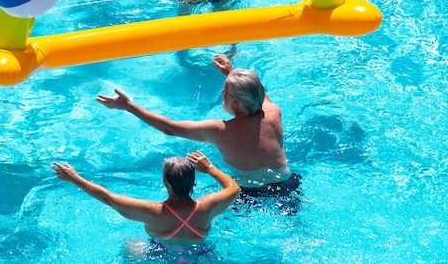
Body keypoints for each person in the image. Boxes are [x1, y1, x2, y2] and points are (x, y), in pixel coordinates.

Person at [96, 54, 301, 204]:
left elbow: (169, 128)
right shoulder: (273, 111)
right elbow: (259, 92)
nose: (222, 91)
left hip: (247, 193)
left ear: (237, 102)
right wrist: (231, 72)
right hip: (285, 184)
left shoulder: (220, 130)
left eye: (226, 91)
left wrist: (129, 106)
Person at [52, 150, 239, 256]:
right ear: (194, 182)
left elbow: (107, 197)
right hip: (200, 254)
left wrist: (75, 178)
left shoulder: (153, 212)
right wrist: (210, 168)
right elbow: (234, 188)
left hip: (161, 254)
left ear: (166, 183)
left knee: (131, 244)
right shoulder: (207, 207)